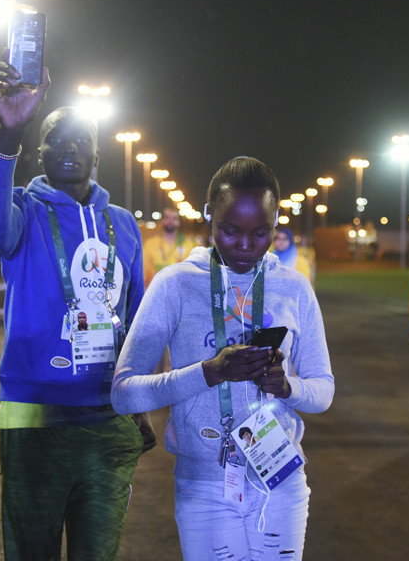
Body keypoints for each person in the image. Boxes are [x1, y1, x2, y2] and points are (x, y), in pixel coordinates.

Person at [112, 157, 334, 560]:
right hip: (206, 486)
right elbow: (124, 394)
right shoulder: (175, 285)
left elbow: (323, 390)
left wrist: (287, 387)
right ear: (208, 215)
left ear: (277, 221)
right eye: (230, 231)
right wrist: (209, 372)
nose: (246, 245)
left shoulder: (295, 288)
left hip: (280, 480)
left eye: (261, 232)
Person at [0, 61, 145, 560]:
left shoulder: (123, 224)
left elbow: (135, 317)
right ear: (39, 151)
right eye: (55, 138)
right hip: (35, 416)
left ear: (96, 152)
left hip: (107, 416)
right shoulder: (22, 210)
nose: (69, 147)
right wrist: (9, 132)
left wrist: (139, 398)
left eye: (80, 139)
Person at [143, 207, 197, 288]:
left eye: (174, 218)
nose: (170, 221)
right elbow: (143, 272)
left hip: (180, 293)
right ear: (162, 220)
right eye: (167, 217)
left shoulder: (189, 244)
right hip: (155, 292)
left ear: (179, 222)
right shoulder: (150, 244)